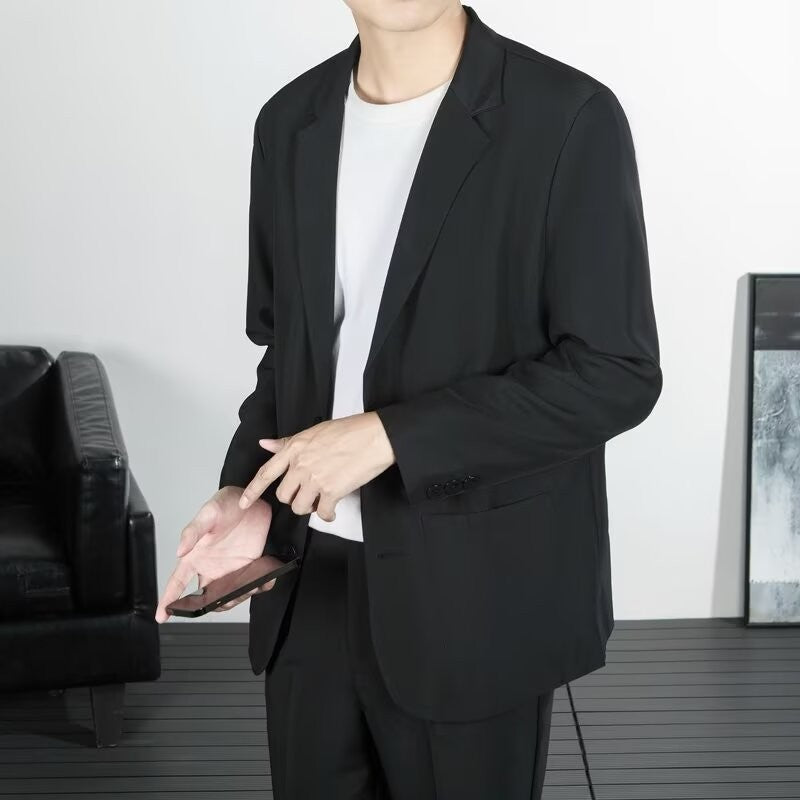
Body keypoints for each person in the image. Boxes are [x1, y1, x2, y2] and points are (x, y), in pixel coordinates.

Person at [156, 2, 662, 798]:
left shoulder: (568, 118)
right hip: (309, 582)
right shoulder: (289, 121)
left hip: (478, 594)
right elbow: (288, 348)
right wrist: (246, 492)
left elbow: (614, 371)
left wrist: (390, 436)